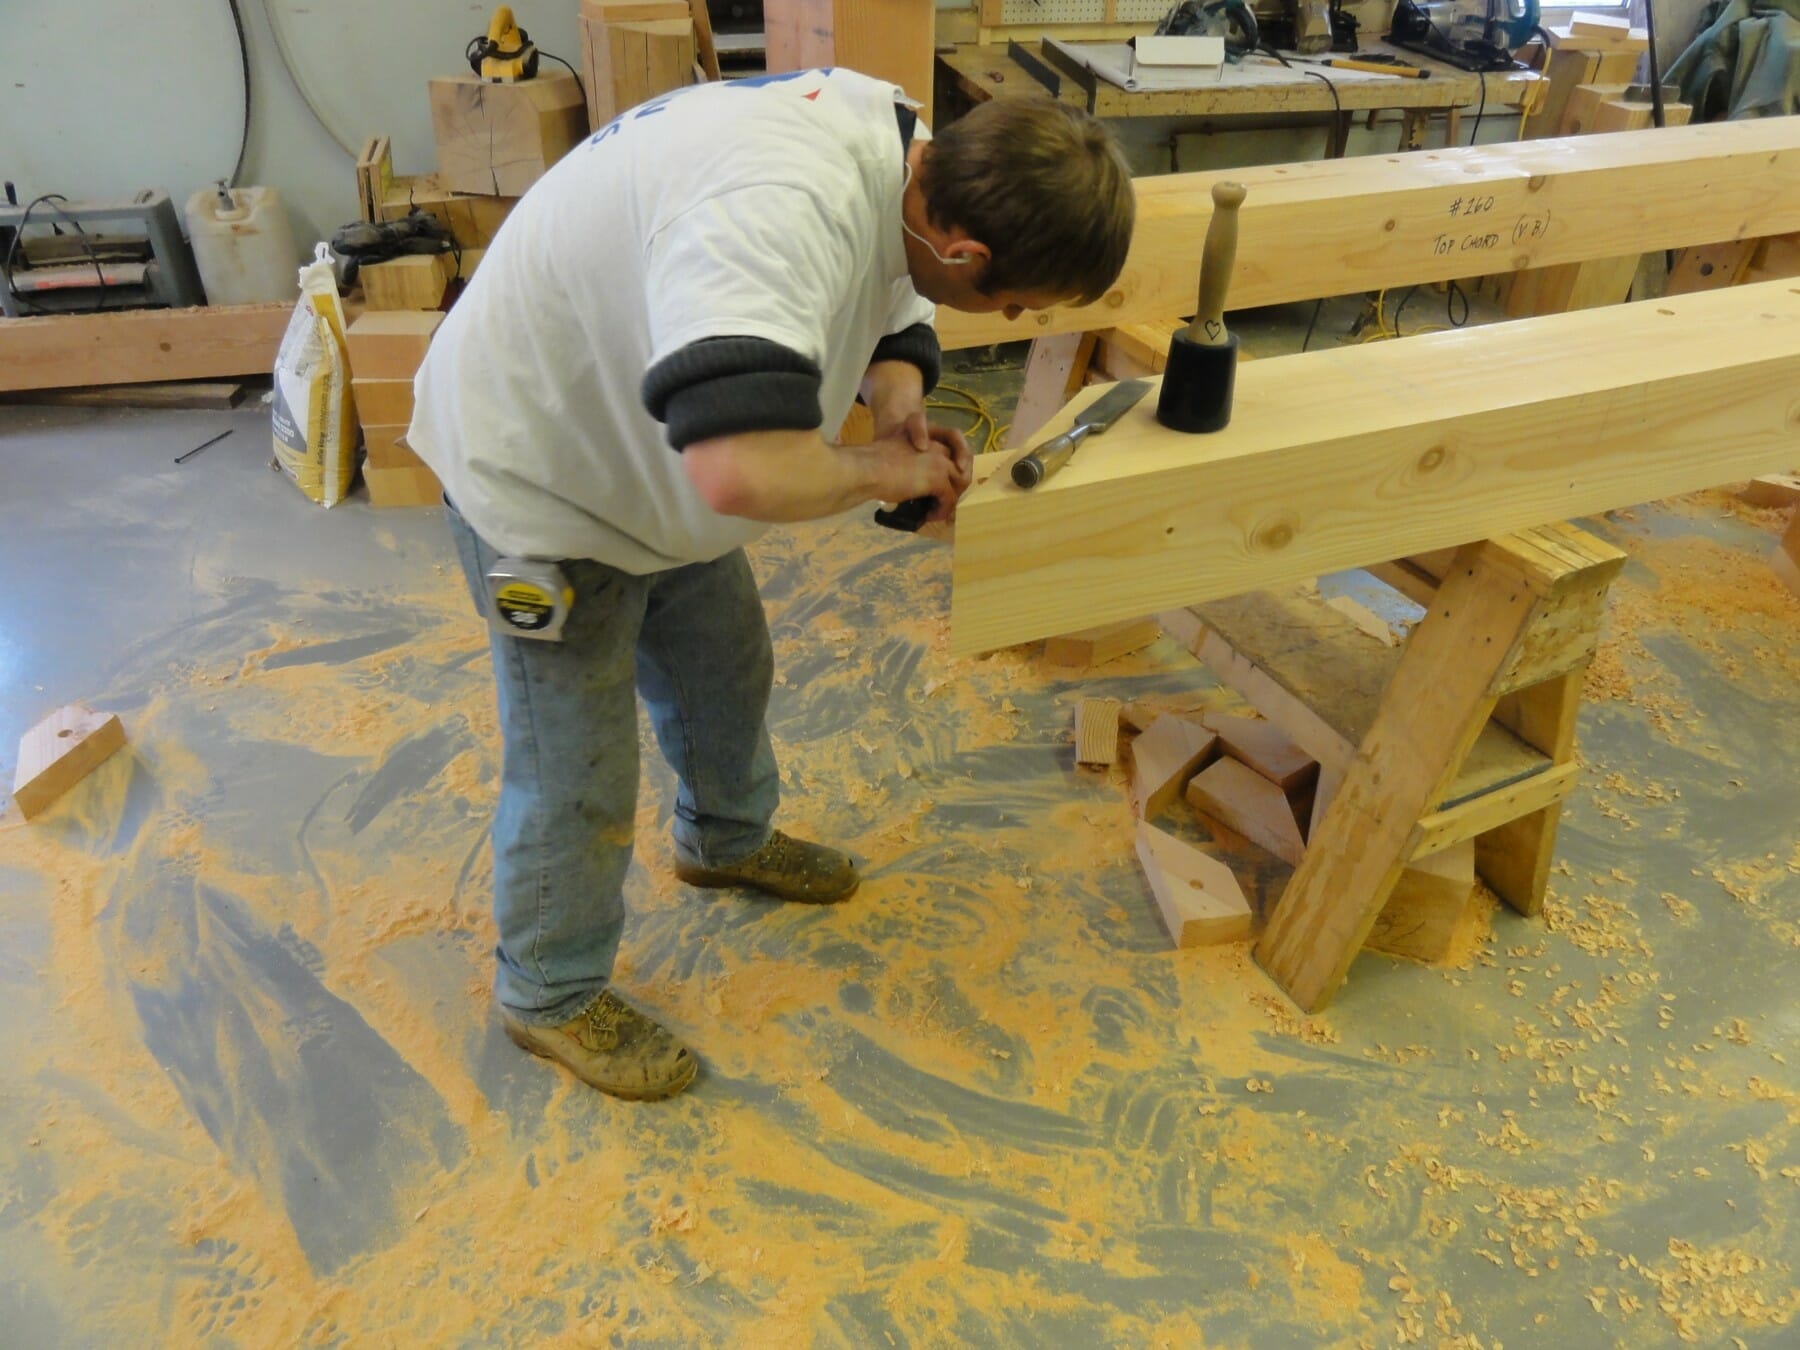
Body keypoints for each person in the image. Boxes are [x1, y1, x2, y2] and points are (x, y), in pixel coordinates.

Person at [408, 69, 1135, 1101]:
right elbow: (740, 471)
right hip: (544, 474)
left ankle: (722, 840)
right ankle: (549, 990)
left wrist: (896, 411)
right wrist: (889, 474)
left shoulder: (914, 156)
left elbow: (888, 298)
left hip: (646, 457)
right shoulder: (771, 214)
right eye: (1013, 299)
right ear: (963, 248)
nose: (1011, 314)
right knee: (576, 758)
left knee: (724, 661)